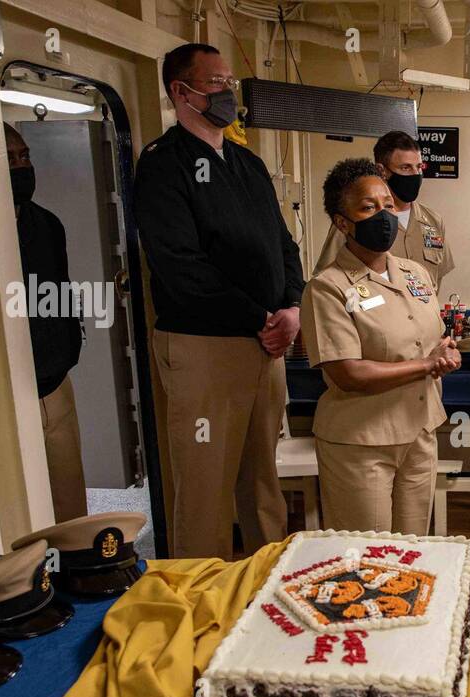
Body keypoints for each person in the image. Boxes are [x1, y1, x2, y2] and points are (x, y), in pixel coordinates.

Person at [134, 43, 304, 559]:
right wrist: (259, 317)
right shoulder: (163, 166)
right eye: (214, 83)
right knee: (205, 489)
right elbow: (181, 266)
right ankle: (197, 599)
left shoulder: (247, 164)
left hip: (266, 346)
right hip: (206, 347)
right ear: (180, 92)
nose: (227, 92)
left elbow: (283, 244)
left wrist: (291, 306)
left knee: (262, 483)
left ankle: (265, 584)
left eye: (229, 81)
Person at [299, 159, 459, 534]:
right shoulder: (328, 286)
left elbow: (430, 338)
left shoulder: (415, 274)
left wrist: (446, 351)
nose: (383, 215)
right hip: (363, 443)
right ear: (342, 222)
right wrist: (427, 365)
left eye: (387, 205)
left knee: (413, 547)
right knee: (366, 555)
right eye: (368, 208)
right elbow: (349, 373)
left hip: (419, 433)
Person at [5, 123, 88, 523]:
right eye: (9, 159)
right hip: (6, 393)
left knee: (68, 497)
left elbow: (60, 291)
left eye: (25, 157)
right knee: (21, 508)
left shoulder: (47, 226)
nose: (21, 167)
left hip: (55, 382)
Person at [314, 130, 454, 291]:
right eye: (406, 168)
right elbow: (326, 277)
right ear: (382, 171)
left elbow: (437, 282)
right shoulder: (358, 221)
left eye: (419, 167)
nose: (416, 175)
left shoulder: (433, 221)